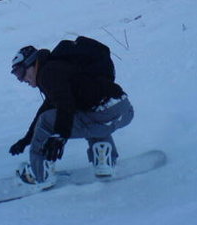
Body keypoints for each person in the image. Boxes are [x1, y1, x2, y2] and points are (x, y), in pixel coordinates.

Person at [9, 43, 134, 188]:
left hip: (103, 112)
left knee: (49, 121)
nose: (22, 79)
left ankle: (40, 174)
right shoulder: (56, 69)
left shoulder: (48, 73)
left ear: (32, 64)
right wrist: (26, 140)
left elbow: (64, 105)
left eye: (20, 72)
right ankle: (103, 161)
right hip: (123, 109)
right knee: (84, 115)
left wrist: (59, 136)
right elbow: (48, 108)